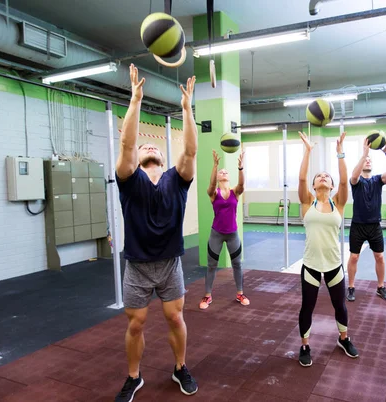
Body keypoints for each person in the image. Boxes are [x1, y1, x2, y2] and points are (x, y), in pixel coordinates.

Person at [114, 64, 198, 401]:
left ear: (163, 160)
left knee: (175, 317)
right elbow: (127, 146)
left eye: (155, 149)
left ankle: (180, 367)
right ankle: (133, 377)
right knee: (135, 324)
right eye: (144, 148)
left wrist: (187, 109)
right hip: (137, 265)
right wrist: (135, 101)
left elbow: (190, 151)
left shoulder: (176, 181)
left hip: (169, 264)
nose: (149, 147)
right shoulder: (129, 180)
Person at [297, 130, 358, 367]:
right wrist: (307, 152)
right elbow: (301, 180)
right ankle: (305, 345)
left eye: (326, 176)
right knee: (307, 307)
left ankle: (343, 338)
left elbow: (345, 181)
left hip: (334, 265)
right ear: (313, 185)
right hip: (311, 265)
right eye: (318, 176)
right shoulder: (306, 202)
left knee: (339, 305)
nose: (323, 177)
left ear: (331, 186)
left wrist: (340, 153)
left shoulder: (338, 203)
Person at [346, 137, 386, 302]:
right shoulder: (356, 181)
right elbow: (353, 175)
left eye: (369, 160)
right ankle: (351, 287)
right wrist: (364, 154)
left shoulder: (377, 180)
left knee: (379, 257)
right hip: (358, 226)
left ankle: (381, 287)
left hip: (375, 226)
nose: (367, 161)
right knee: (354, 257)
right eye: (365, 160)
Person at [199, 148, 249, 309]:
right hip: (216, 234)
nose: (224, 172)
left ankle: (240, 293)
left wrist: (240, 168)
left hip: (232, 234)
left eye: (226, 171)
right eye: (221, 172)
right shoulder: (213, 192)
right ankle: (207, 296)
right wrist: (215, 166)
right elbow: (212, 184)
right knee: (211, 265)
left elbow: (242, 184)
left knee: (237, 264)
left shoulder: (236, 192)